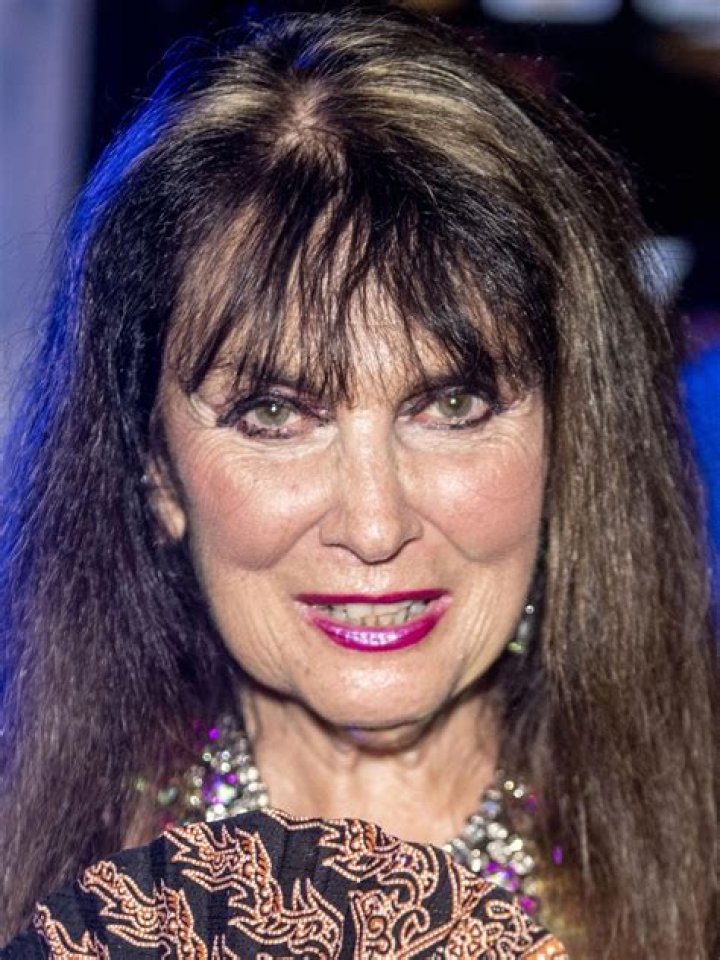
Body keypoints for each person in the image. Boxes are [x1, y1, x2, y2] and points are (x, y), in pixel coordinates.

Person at [0, 9, 717, 959]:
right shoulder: (39, 863)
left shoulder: (698, 852)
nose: (375, 525)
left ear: (569, 439)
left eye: (452, 405)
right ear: (158, 469)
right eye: (274, 414)